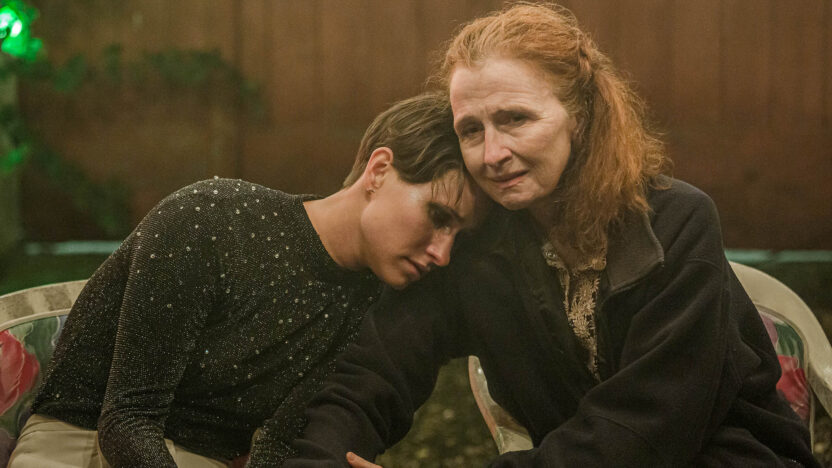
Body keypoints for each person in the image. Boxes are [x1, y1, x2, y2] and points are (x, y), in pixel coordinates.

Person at [278, 4, 818, 467]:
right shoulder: (476, 247)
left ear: (579, 117)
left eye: (515, 118)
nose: (492, 154)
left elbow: (645, 429)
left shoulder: (675, 223)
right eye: (471, 129)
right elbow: (374, 374)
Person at [7, 92, 482, 468]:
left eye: (458, 238)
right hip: (81, 440)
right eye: (438, 216)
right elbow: (127, 420)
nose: (442, 254)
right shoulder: (211, 218)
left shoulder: (372, 304)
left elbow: (276, 445)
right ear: (379, 170)